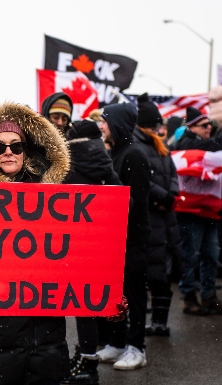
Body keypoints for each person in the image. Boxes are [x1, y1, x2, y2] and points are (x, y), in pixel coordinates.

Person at [0, 102, 127, 385]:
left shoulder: (53, 199)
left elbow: (78, 263)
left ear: (26, 151)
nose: (8, 151)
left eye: (16, 146)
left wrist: (107, 298)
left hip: (40, 346)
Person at [61, 119, 122, 384]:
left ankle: (87, 363)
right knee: (87, 302)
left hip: (70, 246)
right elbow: (122, 198)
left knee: (74, 303)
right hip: (98, 245)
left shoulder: (68, 165)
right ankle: (87, 357)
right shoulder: (103, 162)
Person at [96, 102, 151, 370]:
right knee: (116, 294)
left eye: (105, 120)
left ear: (116, 123)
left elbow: (136, 202)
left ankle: (136, 348)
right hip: (115, 240)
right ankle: (117, 343)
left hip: (132, 240)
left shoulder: (135, 155)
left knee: (134, 294)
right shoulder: (115, 154)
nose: (101, 125)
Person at [133, 94, 183, 336]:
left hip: (165, 218)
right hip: (150, 217)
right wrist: (163, 198)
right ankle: (147, 322)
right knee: (151, 273)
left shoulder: (161, 147)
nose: (159, 129)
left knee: (163, 271)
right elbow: (143, 181)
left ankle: (160, 322)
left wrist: (171, 195)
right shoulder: (137, 147)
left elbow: (173, 175)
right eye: (155, 125)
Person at [172, 107, 222, 315]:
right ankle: (189, 297)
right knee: (190, 256)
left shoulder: (207, 146)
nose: (209, 128)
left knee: (211, 255)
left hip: (210, 211)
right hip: (190, 212)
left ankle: (209, 296)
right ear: (191, 127)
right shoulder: (184, 144)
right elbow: (206, 149)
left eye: (210, 124)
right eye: (204, 125)